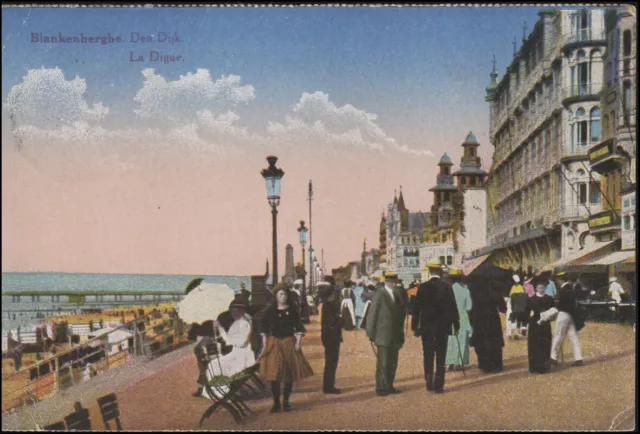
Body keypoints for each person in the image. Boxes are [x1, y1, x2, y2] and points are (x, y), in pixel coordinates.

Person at [259, 283, 313, 412]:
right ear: (276, 296)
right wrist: (264, 345)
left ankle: (286, 401)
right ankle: (276, 402)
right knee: (274, 374)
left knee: (289, 374)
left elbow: (299, 327)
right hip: (274, 343)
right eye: (280, 294)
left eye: (285, 294)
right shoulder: (270, 310)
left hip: (289, 342)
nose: (283, 297)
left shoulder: (293, 310)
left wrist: (298, 343)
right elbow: (263, 328)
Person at [412, 262, 459, 393]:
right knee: (440, 357)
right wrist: (455, 324)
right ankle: (439, 385)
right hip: (442, 328)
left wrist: (415, 326)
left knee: (427, 355)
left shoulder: (422, 287)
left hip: (427, 328)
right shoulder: (447, 287)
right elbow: (452, 307)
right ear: (440, 272)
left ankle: (428, 382)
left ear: (430, 272)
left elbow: (417, 309)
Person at [365, 271, 407, 396]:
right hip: (382, 334)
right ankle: (381, 387)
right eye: (392, 281)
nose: (394, 283)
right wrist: (370, 333)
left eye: (395, 281)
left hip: (395, 334)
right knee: (383, 362)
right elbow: (372, 314)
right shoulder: (379, 294)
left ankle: (389, 385)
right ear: (387, 282)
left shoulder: (397, 295)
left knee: (393, 362)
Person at [203, 296, 256, 384]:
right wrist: (220, 328)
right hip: (237, 354)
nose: (232, 313)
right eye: (232, 311)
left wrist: (221, 329)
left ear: (241, 311)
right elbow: (229, 339)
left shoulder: (243, 324)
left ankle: (223, 388)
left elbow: (241, 343)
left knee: (214, 364)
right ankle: (220, 387)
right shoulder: (237, 323)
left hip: (242, 357)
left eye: (235, 311)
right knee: (214, 363)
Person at [469, 277, 507, 373]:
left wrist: (471, 319)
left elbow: (470, 307)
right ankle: (496, 364)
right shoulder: (495, 289)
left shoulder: (473, 289)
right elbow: (503, 307)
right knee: (494, 342)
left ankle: (484, 364)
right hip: (492, 317)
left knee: (481, 341)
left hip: (479, 318)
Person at [550, 272, 584, 367]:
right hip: (571, 315)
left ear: (560, 280)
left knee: (558, 336)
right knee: (573, 337)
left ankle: (553, 358)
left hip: (563, 314)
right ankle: (578, 358)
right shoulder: (571, 289)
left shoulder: (563, 290)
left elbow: (560, 304)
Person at [525, 278, 556, 374]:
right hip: (534, 324)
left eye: (542, 287)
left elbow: (553, 311)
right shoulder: (531, 299)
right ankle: (534, 367)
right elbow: (526, 313)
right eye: (539, 287)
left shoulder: (549, 298)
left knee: (545, 344)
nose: (541, 289)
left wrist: (549, 316)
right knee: (534, 345)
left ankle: (545, 366)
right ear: (535, 288)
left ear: (545, 288)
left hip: (545, 324)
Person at [445, 269, 472, 372]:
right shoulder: (465, 290)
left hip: (450, 319)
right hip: (463, 318)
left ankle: (450, 363)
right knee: (462, 342)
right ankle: (459, 363)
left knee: (450, 341)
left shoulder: (447, 289)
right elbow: (469, 307)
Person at [318, 281, 343, 394]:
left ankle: (329, 385)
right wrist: (341, 320)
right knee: (331, 362)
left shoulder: (327, 306)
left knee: (331, 362)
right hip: (331, 338)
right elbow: (333, 322)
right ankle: (328, 386)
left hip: (330, 337)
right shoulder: (329, 307)